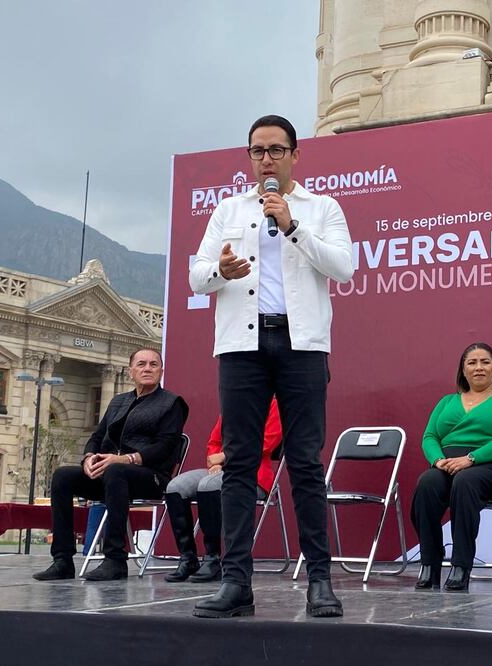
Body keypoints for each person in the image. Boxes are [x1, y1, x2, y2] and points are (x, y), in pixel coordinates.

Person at [188, 115, 353, 618]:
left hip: (302, 344)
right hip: (242, 345)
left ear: (295, 155)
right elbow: (197, 276)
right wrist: (221, 271)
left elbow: (343, 268)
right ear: (249, 157)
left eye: (276, 150)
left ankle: (319, 582)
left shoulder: (321, 208)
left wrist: (292, 226)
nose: (266, 159)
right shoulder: (228, 209)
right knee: (239, 462)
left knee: (304, 461)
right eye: (257, 151)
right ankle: (236, 582)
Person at [33, 348, 189, 582]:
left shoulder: (172, 403)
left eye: (153, 364)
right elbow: (97, 437)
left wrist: (126, 459)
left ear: (161, 371)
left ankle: (115, 560)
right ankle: (62, 560)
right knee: (63, 476)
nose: (147, 369)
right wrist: (88, 458)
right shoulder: (118, 402)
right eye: (141, 364)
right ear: (131, 371)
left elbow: (165, 447)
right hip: (112, 478)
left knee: (116, 470)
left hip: (152, 477)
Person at [411, 343, 492, 592]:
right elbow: (430, 436)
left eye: (485, 362)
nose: (479, 367)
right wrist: (438, 460)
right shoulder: (447, 401)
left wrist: (471, 458)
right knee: (427, 483)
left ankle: (461, 564)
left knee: (465, 481)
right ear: (463, 371)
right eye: (472, 363)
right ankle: (430, 561)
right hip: (448, 464)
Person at [163, 398, 282, 583]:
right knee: (175, 488)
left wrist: (225, 457)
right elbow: (215, 441)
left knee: (208, 485)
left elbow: (267, 442)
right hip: (222, 470)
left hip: (253, 473)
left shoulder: (273, 402)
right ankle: (188, 558)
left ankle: (213, 559)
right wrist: (214, 463)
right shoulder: (233, 401)